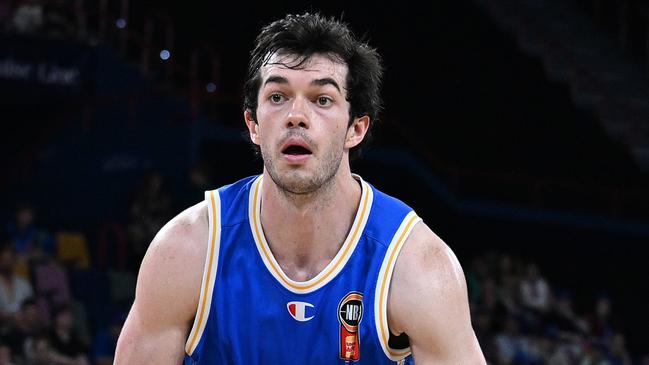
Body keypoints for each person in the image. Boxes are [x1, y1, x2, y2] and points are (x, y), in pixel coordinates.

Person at [114, 12, 486, 364]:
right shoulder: (186, 251)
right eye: (277, 97)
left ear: (356, 128)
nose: (296, 115)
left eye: (322, 99)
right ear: (253, 125)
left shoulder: (417, 266)